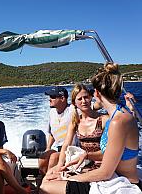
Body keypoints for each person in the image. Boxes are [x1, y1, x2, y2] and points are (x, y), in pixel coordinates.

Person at [40, 63, 141, 193]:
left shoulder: (117, 121)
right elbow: (112, 154)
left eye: (88, 96)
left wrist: (68, 178)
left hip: (119, 182)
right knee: (50, 178)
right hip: (112, 176)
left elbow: (105, 172)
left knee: (46, 186)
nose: (85, 101)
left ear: (96, 94)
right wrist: (87, 155)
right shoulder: (117, 115)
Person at [53, 83, 109, 174]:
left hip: (101, 165)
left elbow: (110, 151)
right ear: (74, 103)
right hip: (83, 164)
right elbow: (66, 145)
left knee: (50, 183)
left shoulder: (104, 120)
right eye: (79, 99)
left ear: (91, 98)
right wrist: (60, 165)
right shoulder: (75, 122)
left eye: (86, 97)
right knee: (49, 176)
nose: (84, 101)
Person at [38, 86, 74, 176]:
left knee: (54, 157)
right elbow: (52, 133)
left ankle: (48, 184)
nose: (50, 99)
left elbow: (92, 108)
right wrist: (48, 148)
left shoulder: (73, 110)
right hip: (59, 148)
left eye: (53, 97)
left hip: (72, 149)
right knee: (42, 158)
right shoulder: (52, 113)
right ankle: (41, 184)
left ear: (62, 98)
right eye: (50, 97)